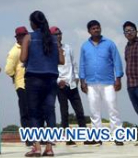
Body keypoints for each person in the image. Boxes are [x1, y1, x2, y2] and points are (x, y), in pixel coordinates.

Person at [20, 11, 63, 157]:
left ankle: (37, 147)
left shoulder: (29, 37)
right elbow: (60, 60)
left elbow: (23, 57)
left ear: (33, 23)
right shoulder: (53, 39)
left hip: (34, 78)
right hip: (51, 78)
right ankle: (49, 148)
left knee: (34, 113)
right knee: (50, 112)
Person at [79, 19, 123, 146]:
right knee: (94, 110)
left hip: (108, 82)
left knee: (112, 108)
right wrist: (82, 81)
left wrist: (118, 78)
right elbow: (82, 64)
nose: (96, 30)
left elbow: (117, 61)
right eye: (93, 28)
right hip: (91, 83)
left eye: (97, 27)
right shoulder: (84, 46)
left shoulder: (109, 44)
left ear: (100, 28)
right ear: (89, 31)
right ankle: (97, 137)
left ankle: (118, 136)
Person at [50, 26, 86, 145]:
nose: (58, 36)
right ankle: (68, 139)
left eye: (59, 33)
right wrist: (57, 81)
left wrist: (76, 77)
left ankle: (85, 136)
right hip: (61, 86)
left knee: (79, 111)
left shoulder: (68, 47)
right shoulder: (49, 51)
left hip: (72, 84)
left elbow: (74, 63)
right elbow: (50, 69)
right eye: (55, 34)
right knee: (64, 113)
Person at [5, 26, 30, 146]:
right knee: (25, 112)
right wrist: (15, 76)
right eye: (23, 36)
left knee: (35, 112)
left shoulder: (29, 47)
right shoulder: (14, 51)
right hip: (21, 84)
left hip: (31, 83)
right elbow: (8, 69)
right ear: (18, 38)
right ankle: (29, 139)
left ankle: (38, 137)